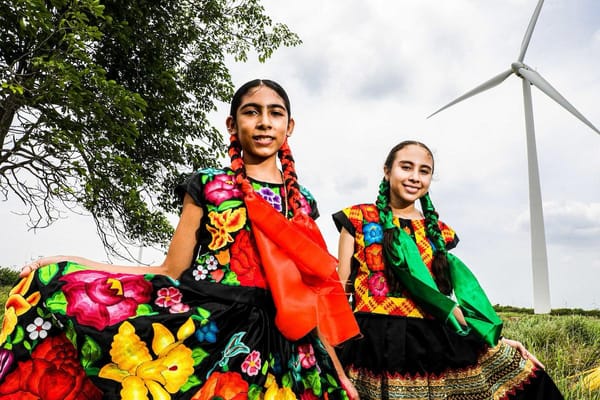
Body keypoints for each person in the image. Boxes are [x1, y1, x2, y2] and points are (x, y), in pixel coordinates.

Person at [0, 79, 360, 399]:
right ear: (233, 125)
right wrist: (73, 264)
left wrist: (340, 374)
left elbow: (313, 293)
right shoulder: (209, 185)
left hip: (288, 341)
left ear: (289, 126)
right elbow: (171, 268)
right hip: (214, 327)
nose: (264, 122)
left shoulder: (302, 202)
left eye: (275, 113)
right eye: (252, 112)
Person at [332, 140, 564, 399]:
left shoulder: (438, 231)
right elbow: (340, 292)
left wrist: (495, 342)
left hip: (432, 345)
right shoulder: (356, 218)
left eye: (424, 171)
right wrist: (330, 351)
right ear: (387, 171)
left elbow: (443, 303)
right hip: (371, 345)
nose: (414, 177)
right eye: (406, 167)